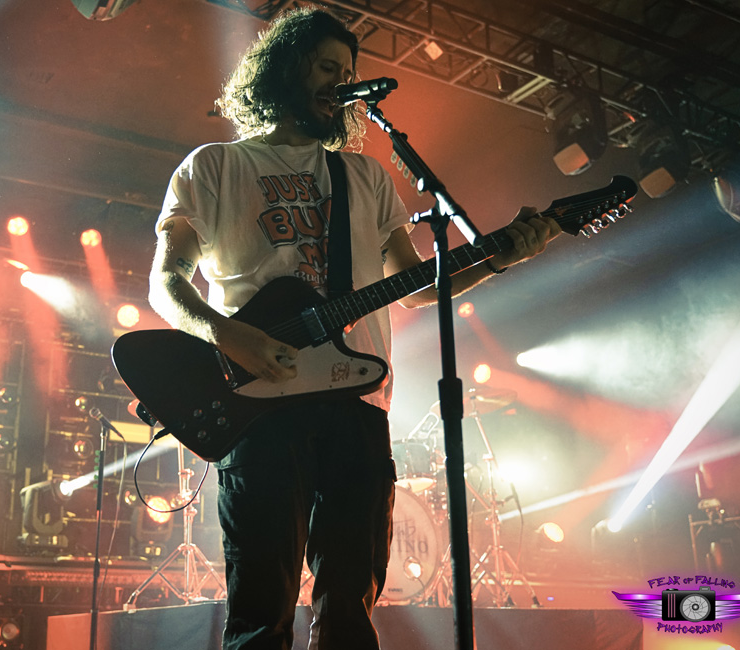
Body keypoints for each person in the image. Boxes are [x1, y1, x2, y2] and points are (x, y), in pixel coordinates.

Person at [147, 7, 560, 649]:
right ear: (285, 69)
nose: (340, 81)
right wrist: (230, 335)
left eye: (348, 72)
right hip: (262, 407)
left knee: (351, 609)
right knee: (262, 610)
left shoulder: (367, 176)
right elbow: (165, 284)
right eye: (326, 67)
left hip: (359, 404)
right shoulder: (215, 167)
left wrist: (497, 258)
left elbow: (417, 287)